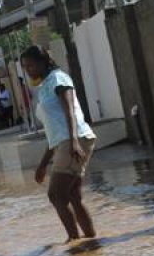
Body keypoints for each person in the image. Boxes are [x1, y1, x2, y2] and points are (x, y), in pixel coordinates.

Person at [21, 46, 97, 243]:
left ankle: (74, 242)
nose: (28, 70)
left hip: (74, 139)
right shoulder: (45, 86)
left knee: (56, 195)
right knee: (72, 196)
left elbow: (70, 111)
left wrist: (73, 141)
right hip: (65, 141)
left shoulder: (58, 78)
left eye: (30, 65)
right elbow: (53, 132)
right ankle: (90, 241)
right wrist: (43, 164)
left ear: (42, 62)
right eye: (24, 66)